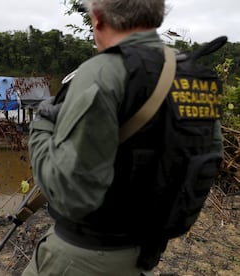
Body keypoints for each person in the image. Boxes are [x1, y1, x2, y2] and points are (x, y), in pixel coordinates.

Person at [23, 0, 223, 275]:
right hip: (144, 254)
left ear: (98, 18)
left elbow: (71, 195)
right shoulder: (193, 75)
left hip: (81, 257)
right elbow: (205, 162)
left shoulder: (104, 71)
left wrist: (42, 126)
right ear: (157, 16)